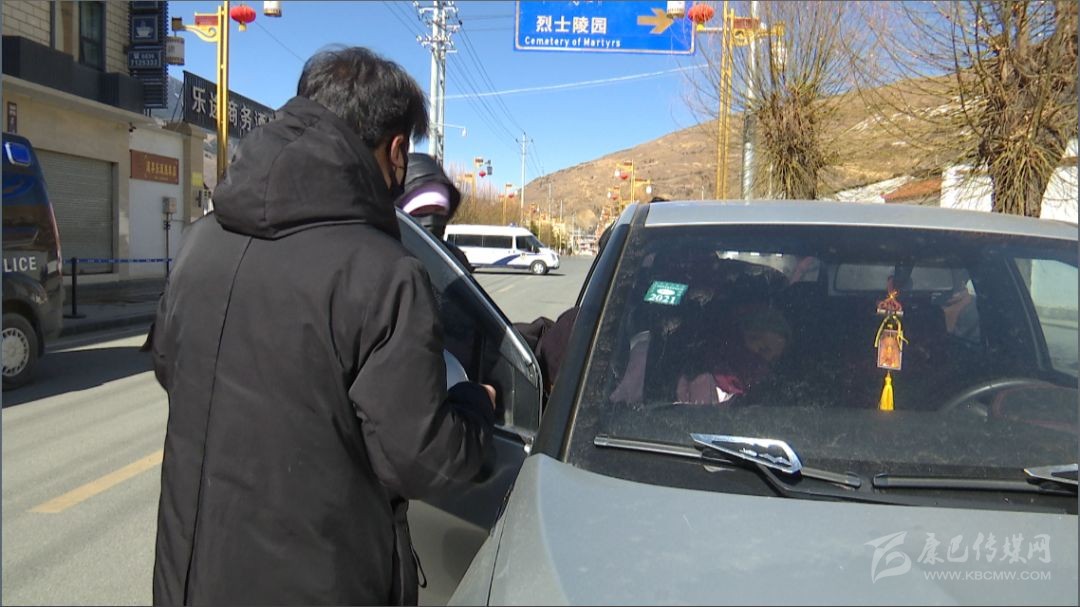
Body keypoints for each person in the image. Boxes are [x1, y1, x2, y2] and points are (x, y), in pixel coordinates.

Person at [149, 46, 497, 606]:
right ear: (397, 150)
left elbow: (171, 365)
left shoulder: (199, 242)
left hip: (189, 575)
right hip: (318, 582)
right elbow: (423, 459)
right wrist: (475, 404)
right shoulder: (385, 273)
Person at [397, 152, 473, 271]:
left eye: (438, 209)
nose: (431, 219)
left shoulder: (454, 261)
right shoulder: (383, 259)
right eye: (420, 209)